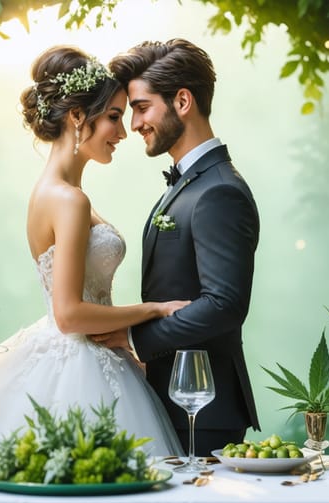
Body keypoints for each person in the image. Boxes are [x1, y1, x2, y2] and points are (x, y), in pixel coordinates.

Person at [0, 46, 186, 458]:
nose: (122, 133)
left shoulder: (51, 193)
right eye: (113, 117)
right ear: (76, 116)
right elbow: (69, 315)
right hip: (80, 367)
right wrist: (154, 310)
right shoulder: (69, 201)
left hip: (93, 356)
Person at [99, 39, 261, 453]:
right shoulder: (191, 183)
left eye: (141, 107)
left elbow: (224, 303)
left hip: (203, 410)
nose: (134, 124)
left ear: (183, 101)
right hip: (170, 399)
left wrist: (135, 339)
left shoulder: (219, 191)